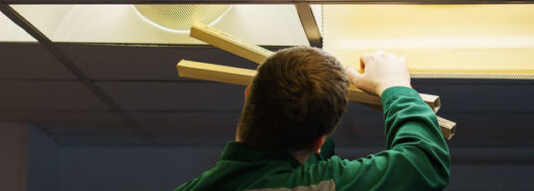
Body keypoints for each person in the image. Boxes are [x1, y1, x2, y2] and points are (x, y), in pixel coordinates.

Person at [174, 48, 450, 190]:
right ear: (320, 141)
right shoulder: (319, 184)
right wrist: (395, 87)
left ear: (248, 96)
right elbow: (423, 163)